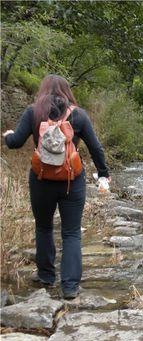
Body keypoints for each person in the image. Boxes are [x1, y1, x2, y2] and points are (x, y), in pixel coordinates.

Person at [2, 74, 110, 299]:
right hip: (72, 180)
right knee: (71, 233)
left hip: (41, 179)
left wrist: (8, 135)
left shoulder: (34, 112)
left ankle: (46, 276)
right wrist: (103, 174)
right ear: (67, 91)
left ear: (43, 89)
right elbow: (96, 147)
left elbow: (15, 143)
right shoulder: (78, 114)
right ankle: (70, 287)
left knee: (43, 227)